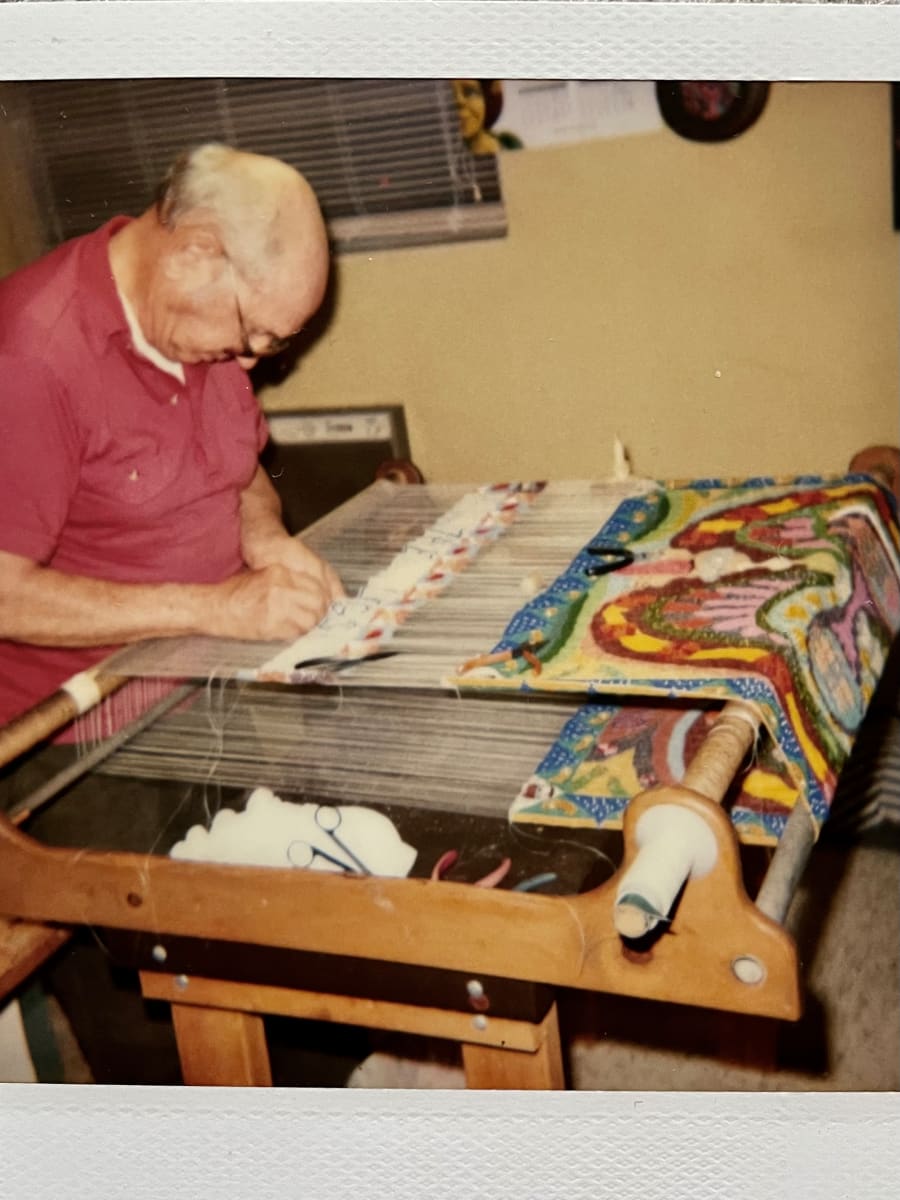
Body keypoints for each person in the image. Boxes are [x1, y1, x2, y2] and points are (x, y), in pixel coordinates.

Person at [0, 143, 354, 1083]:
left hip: (194, 684)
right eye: (255, 340)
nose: (256, 360)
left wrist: (268, 539)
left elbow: (236, 477)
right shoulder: (33, 357)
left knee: (331, 930)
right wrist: (216, 605)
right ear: (197, 251)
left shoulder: (195, 319)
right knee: (182, 1022)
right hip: (65, 748)